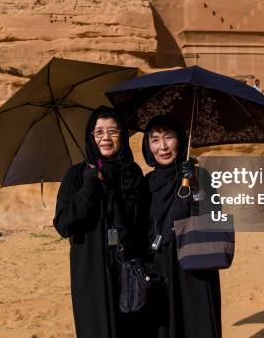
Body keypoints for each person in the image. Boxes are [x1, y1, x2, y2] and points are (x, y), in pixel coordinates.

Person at [53, 106, 148, 338]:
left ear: (122, 136)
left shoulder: (133, 173)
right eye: (99, 132)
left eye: (113, 132)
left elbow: (144, 221)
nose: (106, 138)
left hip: (127, 269)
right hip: (90, 269)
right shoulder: (76, 175)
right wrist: (88, 189)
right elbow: (63, 224)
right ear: (91, 137)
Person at [142, 115, 222, 338]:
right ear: (147, 145)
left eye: (169, 137)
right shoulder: (146, 183)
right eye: (155, 139)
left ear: (181, 140)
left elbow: (214, 217)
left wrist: (195, 186)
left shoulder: (199, 176)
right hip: (159, 270)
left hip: (194, 267)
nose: (163, 146)